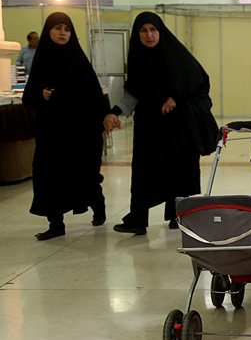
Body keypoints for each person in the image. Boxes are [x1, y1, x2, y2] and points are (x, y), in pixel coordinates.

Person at [104, 12, 217, 235]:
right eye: (143, 31)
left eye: (153, 30)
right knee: (144, 171)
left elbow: (198, 82)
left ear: (160, 31)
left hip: (178, 126)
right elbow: (134, 92)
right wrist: (114, 112)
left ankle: (177, 214)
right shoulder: (138, 59)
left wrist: (176, 97)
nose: (149, 35)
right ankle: (138, 219)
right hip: (149, 126)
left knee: (178, 170)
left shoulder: (177, 55)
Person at [23, 13, 106, 240]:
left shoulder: (78, 60)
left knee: (84, 175)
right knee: (49, 176)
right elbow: (28, 98)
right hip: (51, 132)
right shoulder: (42, 60)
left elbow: (95, 97)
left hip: (80, 132)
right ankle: (55, 224)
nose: (63, 33)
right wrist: (41, 95)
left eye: (67, 29)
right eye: (58, 28)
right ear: (48, 31)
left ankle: (98, 206)